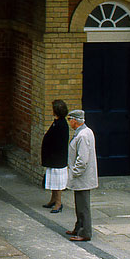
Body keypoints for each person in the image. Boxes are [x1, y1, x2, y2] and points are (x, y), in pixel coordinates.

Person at [65, 109, 98, 241]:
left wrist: (74, 173)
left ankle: (85, 233)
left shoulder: (83, 135)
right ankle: (78, 228)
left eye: (70, 120)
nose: (69, 123)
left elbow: (82, 159)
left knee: (83, 206)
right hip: (82, 177)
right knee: (79, 204)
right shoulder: (85, 132)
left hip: (82, 177)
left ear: (75, 120)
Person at [40, 100, 69, 212]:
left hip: (57, 158)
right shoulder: (56, 122)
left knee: (58, 181)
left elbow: (58, 142)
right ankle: (53, 200)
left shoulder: (61, 125)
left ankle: (58, 203)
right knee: (52, 179)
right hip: (52, 158)